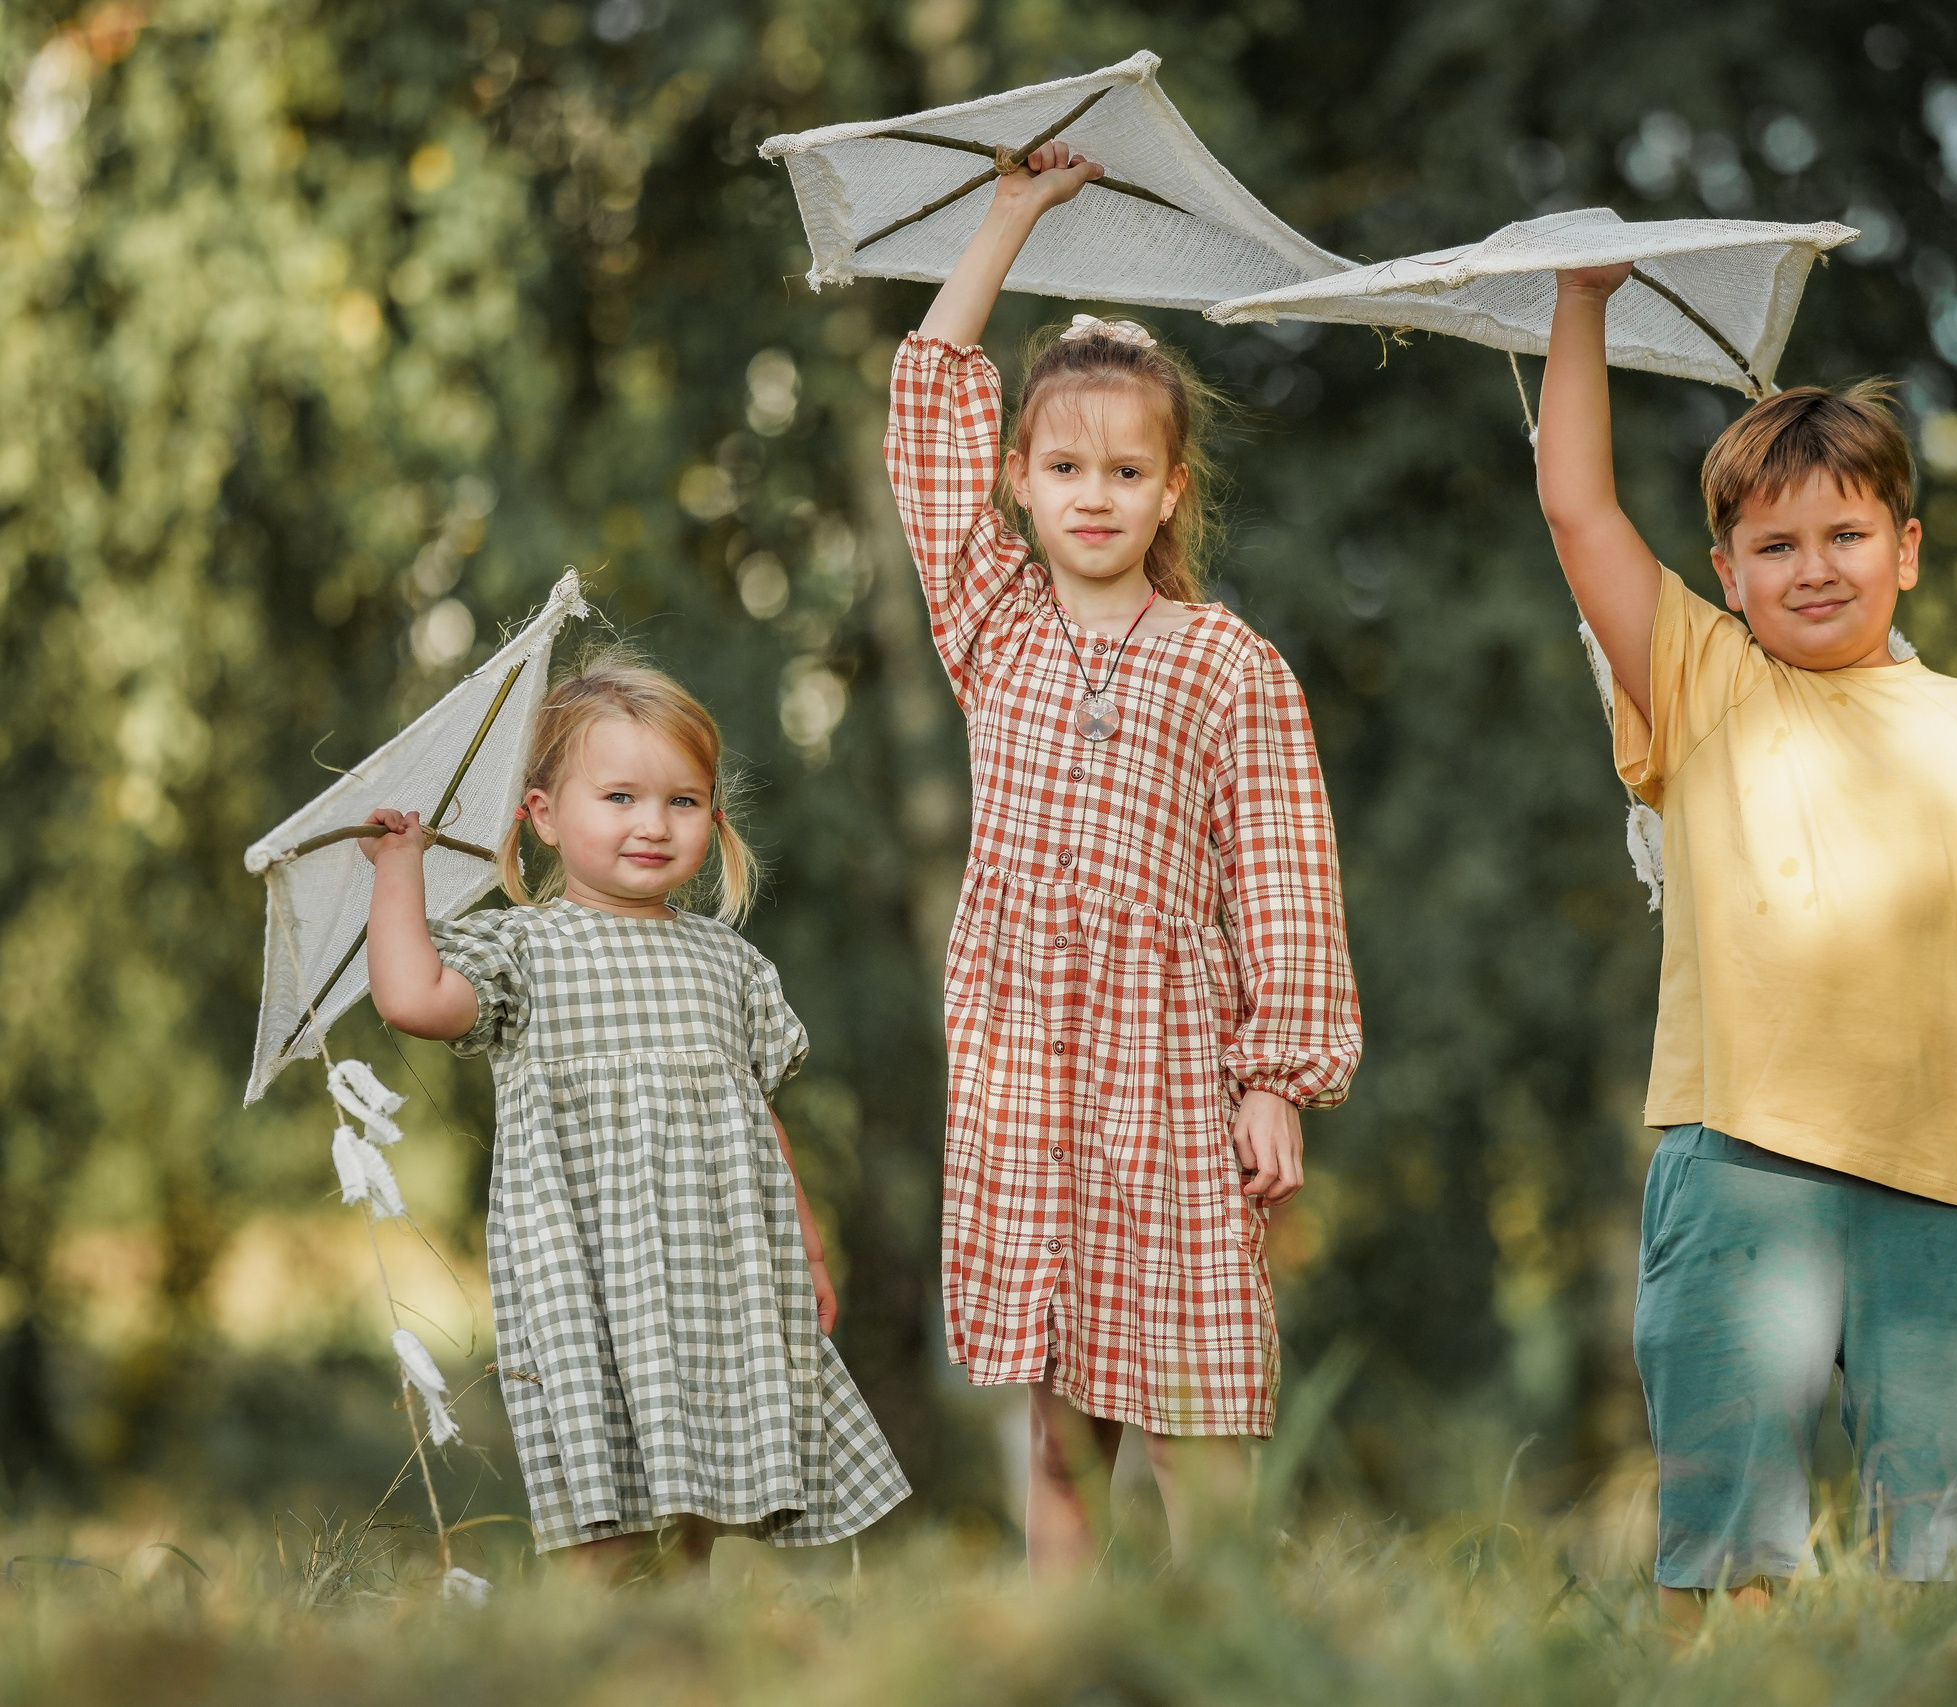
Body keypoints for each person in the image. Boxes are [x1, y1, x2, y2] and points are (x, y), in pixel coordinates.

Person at [1536, 266, 1957, 1612]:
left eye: (1845, 535)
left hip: (1943, 1180)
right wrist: (1582, 302)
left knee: (1951, 1535)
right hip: (1739, 1164)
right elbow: (1576, 506)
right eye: (1776, 545)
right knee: (1728, 1528)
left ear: (1905, 549)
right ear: (1727, 574)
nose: (1814, 567)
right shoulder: (1702, 685)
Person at [883, 141, 1361, 1572]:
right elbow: (924, 401)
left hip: (1171, 1055)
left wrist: (1277, 1079)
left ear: (1170, 491)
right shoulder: (993, 623)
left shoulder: (1226, 662)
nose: (1095, 491)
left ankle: (1218, 1629)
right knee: (1056, 1403)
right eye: (1065, 464)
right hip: (1027, 1053)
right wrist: (1010, 218)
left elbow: (1285, 874)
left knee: (1199, 1387)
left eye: (1127, 468)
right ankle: (1065, 1637)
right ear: (1018, 478)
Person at [356, 654, 909, 1577]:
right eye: (619, 796)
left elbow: (758, 1111)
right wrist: (399, 871)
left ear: (714, 816)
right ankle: (604, 1634)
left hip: (715, 1266)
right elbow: (413, 997)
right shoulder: (524, 948)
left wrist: (807, 1247)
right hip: (582, 1262)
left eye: (683, 801)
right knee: (597, 1484)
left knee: (700, 1478)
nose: (653, 824)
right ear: (541, 815)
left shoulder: (727, 962)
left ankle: (681, 1640)